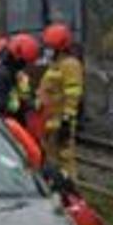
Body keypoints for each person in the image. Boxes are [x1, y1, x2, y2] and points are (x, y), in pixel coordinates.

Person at [36, 23, 85, 178]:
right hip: (49, 123)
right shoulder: (55, 65)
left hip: (60, 123)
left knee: (64, 161)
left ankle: (68, 186)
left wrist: (66, 120)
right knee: (51, 160)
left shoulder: (70, 65)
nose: (48, 50)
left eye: (51, 47)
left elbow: (73, 95)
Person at [0, 34, 38, 125]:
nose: (24, 65)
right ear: (17, 56)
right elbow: (0, 104)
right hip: (5, 120)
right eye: (24, 61)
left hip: (8, 117)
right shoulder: (2, 73)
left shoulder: (11, 71)